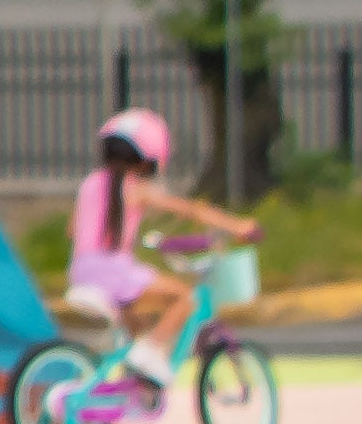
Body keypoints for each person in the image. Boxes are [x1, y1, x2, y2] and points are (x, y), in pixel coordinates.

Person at [62, 105, 252, 391]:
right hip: (114, 272)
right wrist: (238, 226)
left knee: (135, 325)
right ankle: (150, 352)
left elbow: (72, 230)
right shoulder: (136, 188)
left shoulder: (90, 183)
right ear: (148, 159)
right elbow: (190, 210)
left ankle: (129, 384)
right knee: (185, 298)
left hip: (81, 271)